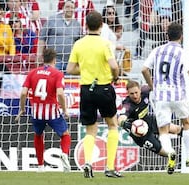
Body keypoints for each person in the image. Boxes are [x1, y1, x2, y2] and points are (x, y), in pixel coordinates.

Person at [142, 23, 189, 174]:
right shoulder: (183, 53)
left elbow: (144, 69)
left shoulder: (157, 51)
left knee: (163, 130)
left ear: (166, 35)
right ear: (181, 36)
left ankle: (170, 152)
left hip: (161, 96)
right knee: (187, 123)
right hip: (179, 95)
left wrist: (152, 86)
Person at [66, 11, 121, 178]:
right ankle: (109, 167)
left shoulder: (79, 44)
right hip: (103, 88)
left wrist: (86, 69)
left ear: (86, 25)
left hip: (86, 89)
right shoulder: (104, 44)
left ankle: (88, 162)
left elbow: (69, 69)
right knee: (112, 124)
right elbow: (114, 65)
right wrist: (116, 77)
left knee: (91, 129)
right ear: (102, 25)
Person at [118, 80, 189, 156]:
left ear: (140, 90)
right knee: (163, 151)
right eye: (132, 94)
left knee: (176, 128)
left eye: (136, 92)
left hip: (149, 121)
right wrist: (124, 123)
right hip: (140, 134)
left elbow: (158, 83)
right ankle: (174, 158)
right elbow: (120, 118)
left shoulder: (145, 90)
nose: (135, 96)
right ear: (127, 93)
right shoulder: (128, 105)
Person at [15, 48, 71, 173]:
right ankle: (64, 154)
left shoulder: (33, 72)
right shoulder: (57, 74)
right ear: (54, 60)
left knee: (38, 136)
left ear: (42, 59)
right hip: (52, 112)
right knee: (65, 135)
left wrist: (22, 109)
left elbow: (23, 93)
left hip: (37, 113)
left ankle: (40, 167)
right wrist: (65, 109)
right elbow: (61, 94)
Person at [38, 0, 82, 71]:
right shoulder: (52, 20)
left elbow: (79, 43)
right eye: (67, 7)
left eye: (72, 8)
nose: (69, 9)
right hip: (54, 61)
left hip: (70, 62)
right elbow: (42, 38)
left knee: (69, 82)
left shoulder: (77, 25)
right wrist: (39, 54)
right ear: (63, 8)